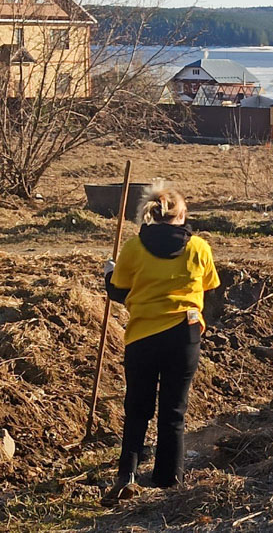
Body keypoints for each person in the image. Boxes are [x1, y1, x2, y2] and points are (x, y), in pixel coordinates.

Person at [101, 186, 220, 506]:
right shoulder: (199, 248)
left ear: (152, 214)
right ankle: (169, 481)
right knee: (173, 412)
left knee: (137, 408)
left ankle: (127, 473)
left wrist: (108, 274)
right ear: (182, 216)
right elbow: (210, 290)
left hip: (142, 338)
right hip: (185, 335)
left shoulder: (133, 248)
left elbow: (118, 292)